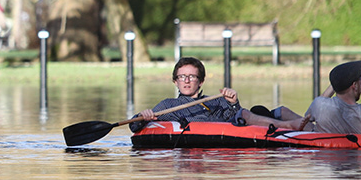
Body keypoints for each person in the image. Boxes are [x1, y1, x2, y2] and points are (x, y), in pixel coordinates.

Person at [131, 57, 309, 131]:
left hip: (235, 125)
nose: (186, 81)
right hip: (223, 129)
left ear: (200, 81)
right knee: (245, 114)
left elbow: (233, 115)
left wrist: (232, 102)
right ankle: (290, 126)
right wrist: (142, 116)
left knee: (276, 110)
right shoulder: (168, 105)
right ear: (175, 81)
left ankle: (312, 130)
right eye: (182, 77)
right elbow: (134, 126)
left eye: (191, 77)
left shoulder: (215, 100)